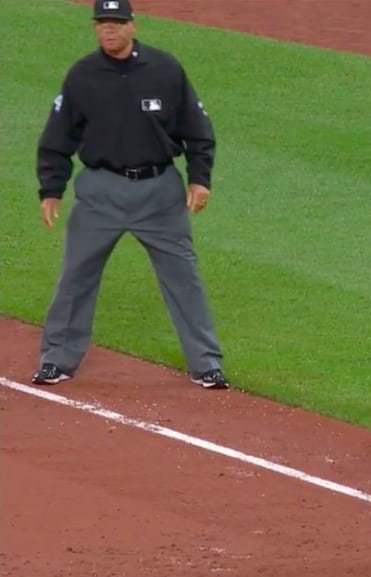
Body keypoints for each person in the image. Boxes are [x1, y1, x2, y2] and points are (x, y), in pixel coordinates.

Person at [31, 0, 229, 390]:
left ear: (133, 26)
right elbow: (56, 139)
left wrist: (199, 179)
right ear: (94, 28)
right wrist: (50, 190)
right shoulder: (82, 76)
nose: (109, 30)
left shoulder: (164, 69)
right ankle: (57, 359)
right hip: (100, 193)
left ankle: (206, 363)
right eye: (102, 23)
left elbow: (198, 130)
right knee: (76, 277)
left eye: (117, 23)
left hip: (159, 194)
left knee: (183, 278)